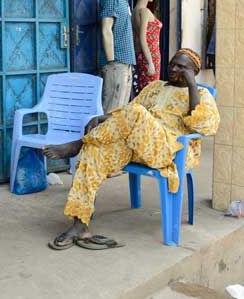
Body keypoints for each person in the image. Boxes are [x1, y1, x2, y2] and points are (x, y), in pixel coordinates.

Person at [43, 49, 219, 250]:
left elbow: (204, 125)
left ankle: (78, 143)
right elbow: (128, 112)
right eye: (172, 64)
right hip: (136, 144)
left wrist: (192, 86)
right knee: (94, 153)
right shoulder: (155, 87)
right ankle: (80, 225)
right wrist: (102, 118)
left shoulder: (201, 94)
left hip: (167, 149)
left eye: (182, 67)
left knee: (137, 113)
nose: (173, 69)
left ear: (193, 71)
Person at [132, 0, 162, 93]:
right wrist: (150, 62)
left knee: (145, 88)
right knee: (150, 90)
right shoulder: (144, 11)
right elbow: (142, 38)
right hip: (150, 55)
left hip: (143, 54)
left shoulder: (135, 10)